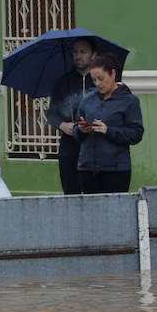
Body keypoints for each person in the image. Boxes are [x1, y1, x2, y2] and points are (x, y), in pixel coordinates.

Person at [73, 52, 144, 194]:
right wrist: (81, 130)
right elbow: (76, 130)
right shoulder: (88, 99)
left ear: (112, 74)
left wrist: (109, 130)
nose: (98, 84)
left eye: (101, 78)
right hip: (87, 168)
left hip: (115, 169)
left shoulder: (129, 101)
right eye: (94, 80)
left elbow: (136, 134)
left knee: (115, 212)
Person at [45, 37, 96, 194]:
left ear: (93, 55)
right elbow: (52, 113)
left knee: (93, 192)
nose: (78, 56)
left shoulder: (99, 80)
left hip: (93, 144)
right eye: (75, 52)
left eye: (83, 52)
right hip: (70, 145)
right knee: (70, 191)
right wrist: (61, 125)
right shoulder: (63, 82)